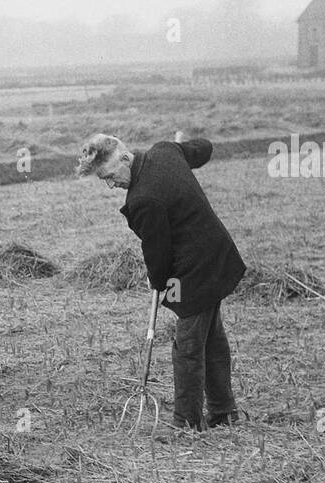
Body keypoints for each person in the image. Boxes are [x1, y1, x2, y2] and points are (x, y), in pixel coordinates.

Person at [77, 131, 246, 434]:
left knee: (188, 346)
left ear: (126, 158)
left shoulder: (143, 199)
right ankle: (224, 411)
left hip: (197, 270)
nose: (111, 184)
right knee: (212, 338)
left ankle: (186, 423)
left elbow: (158, 255)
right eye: (104, 180)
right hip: (219, 255)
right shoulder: (165, 151)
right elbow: (204, 148)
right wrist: (186, 146)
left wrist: (158, 284)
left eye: (111, 176)